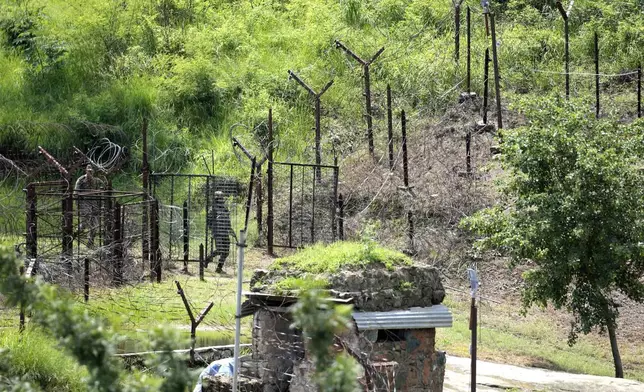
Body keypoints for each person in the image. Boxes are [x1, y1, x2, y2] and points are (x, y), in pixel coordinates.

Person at [74, 164, 104, 247]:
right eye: (88, 170)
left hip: (94, 205)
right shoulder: (81, 180)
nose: (90, 172)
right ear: (86, 170)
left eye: (91, 171)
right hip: (84, 204)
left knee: (95, 225)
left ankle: (90, 243)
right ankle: (74, 233)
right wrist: (78, 205)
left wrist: (100, 205)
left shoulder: (97, 181)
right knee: (84, 224)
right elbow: (75, 194)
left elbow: (102, 191)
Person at [207, 191, 235, 273]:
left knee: (226, 251)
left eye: (222, 197)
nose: (222, 199)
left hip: (225, 232)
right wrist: (212, 230)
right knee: (219, 250)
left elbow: (227, 221)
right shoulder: (213, 209)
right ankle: (207, 259)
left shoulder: (225, 208)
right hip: (217, 232)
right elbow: (209, 221)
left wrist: (230, 230)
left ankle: (219, 268)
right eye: (220, 198)